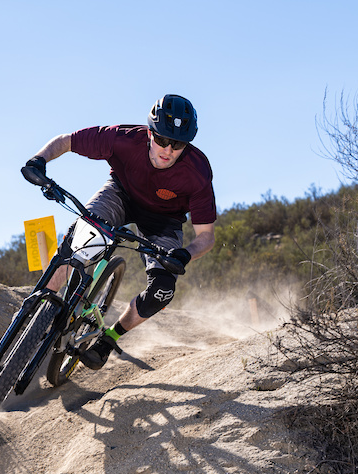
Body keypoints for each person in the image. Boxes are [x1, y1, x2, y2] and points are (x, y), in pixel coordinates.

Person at [23, 94, 216, 370]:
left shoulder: (197, 172)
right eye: (162, 140)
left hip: (164, 220)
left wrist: (185, 255)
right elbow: (67, 141)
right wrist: (38, 160)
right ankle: (35, 320)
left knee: (163, 290)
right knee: (79, 244)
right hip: (120, 194)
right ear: (150, 133)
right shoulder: (123, 139)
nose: (168, 150)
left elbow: (206, 237)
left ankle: (108, 339)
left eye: (178, 144)